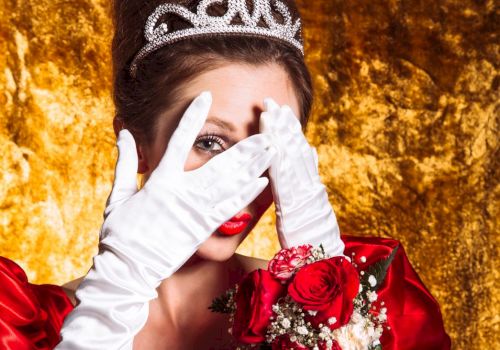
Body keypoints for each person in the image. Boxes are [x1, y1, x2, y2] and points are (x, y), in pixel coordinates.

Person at [0, 0, 451, 349]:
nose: (239, 187)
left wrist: (328, 312)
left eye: (266, 146)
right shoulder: (23, 326)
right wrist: (113, 295)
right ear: (135, 145)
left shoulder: (380, 311)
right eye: (209, 141)